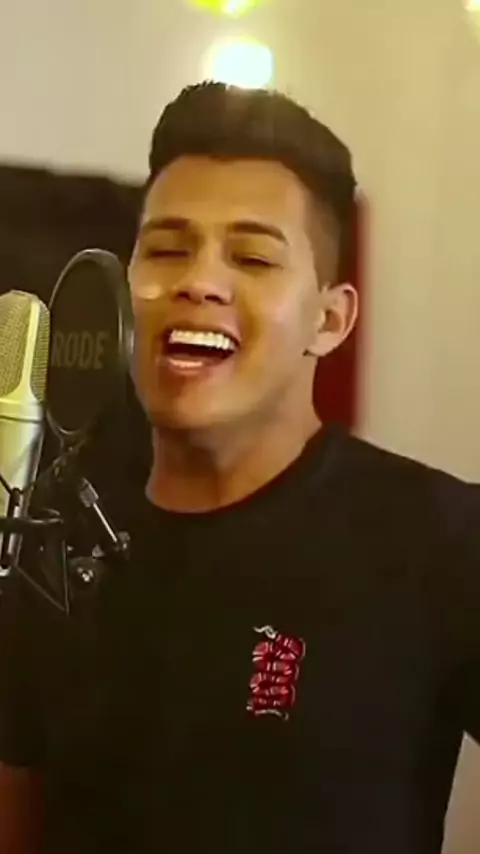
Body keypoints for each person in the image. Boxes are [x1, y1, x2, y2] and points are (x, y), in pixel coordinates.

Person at [0, 80, 479, 854]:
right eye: (166, 249)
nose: (197, 282)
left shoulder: (442, 541)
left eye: (252, 256)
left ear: (330, 319)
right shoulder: (52, 546)